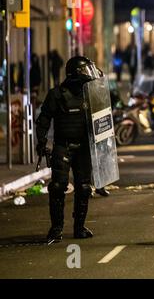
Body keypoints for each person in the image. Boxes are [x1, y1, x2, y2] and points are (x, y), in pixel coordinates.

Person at [36, 56, 103, 244]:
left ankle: (79, 227)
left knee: (83, 187)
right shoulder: (56, 94)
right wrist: (41, 142)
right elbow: (44, 119)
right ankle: (56, 228)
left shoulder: (90, 93)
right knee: (58, 187)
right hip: (63, 146)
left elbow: (102, 116)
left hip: (83, 147)